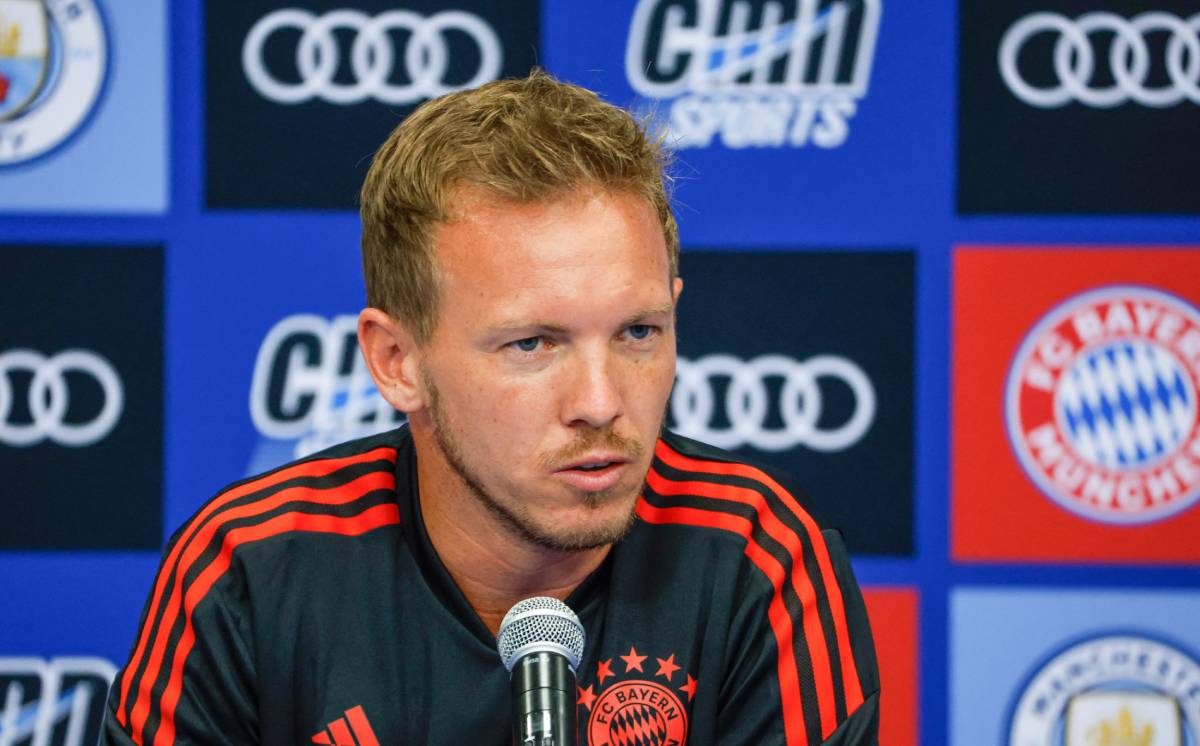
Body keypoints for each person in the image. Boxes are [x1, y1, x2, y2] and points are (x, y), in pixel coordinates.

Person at [101, 70, 879, 745]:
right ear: (396, 363)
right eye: (532, 344)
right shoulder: (245, 574)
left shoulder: (760, 560)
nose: (601, 402)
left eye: (638, 332)